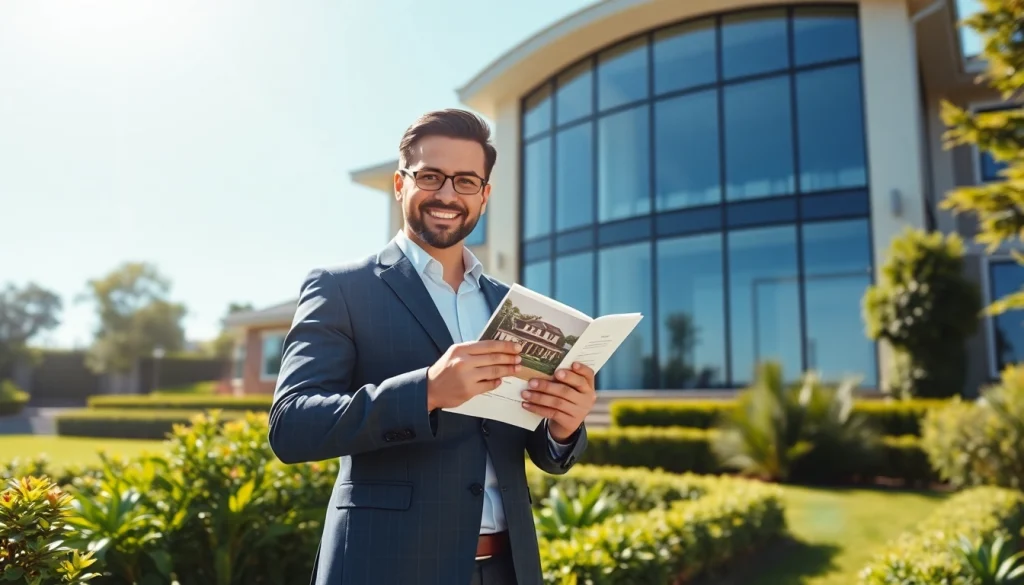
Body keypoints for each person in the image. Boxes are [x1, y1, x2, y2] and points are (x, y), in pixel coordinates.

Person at [268, 108, 595, 585]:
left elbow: (528, 447)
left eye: (465, 181)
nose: (447, 194)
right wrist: (428, 391)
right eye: (430, 176)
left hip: (509, 567)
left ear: (484, 196)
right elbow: (292, 424)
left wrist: (562, 426)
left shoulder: (511, 305)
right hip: (385, 566)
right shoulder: (341, 288)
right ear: (401, 184)